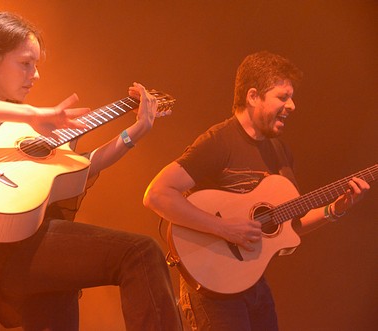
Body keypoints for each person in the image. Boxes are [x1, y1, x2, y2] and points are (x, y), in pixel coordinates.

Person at [0, 11, 182, 331]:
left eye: (36, 66)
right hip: (14, 253)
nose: (35, 76)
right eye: (25, 63)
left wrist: (133, 134)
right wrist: (30, 115)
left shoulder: (17, 122)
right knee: (141, 253)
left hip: (42, 253)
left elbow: (80, 170)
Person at [143, 51, 370, 331]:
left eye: (292, 97)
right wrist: (225, 228)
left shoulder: (280, 152)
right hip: (211, 289)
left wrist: (335, 210)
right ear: (253, 96)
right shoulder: (218, 142)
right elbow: (157, 194)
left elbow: (290, 226)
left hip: (253, 283)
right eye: (282, 97)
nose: (292, 105)